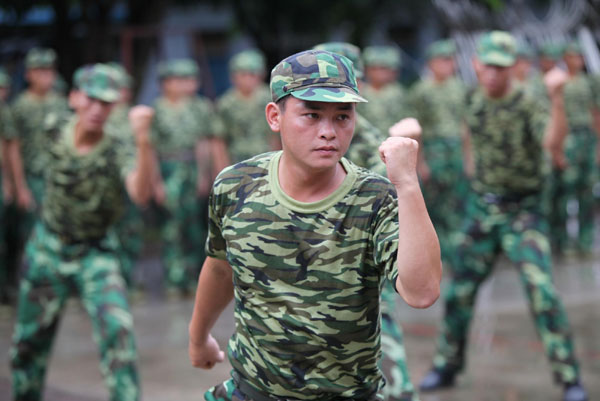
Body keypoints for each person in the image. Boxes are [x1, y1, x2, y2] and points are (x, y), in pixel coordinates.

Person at [188, 49, 442, 400]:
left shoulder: (375, 198)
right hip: (253, 390)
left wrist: (408, 185)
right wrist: (198, 337)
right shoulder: (236, 185)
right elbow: (219, 268)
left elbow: (422, 291)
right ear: (275, 117)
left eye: (342, 116)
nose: (328, 132)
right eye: (311, 115)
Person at [418, 31, 589, 401]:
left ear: (512, 67)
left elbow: (551, 142)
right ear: (477, 65)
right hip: (483, 207)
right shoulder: (473, 99)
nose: (492, 73)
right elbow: (469, 135)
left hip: (522, 211)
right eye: (487, 65)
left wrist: (557, 98)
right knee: (459, 292)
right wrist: (470, 171)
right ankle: (447, 364)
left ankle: (569, 376)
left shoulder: (528, 103)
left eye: (500, 66)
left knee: (542, 291)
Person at [10, 63, 155, 401]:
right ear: (74, 97)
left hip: (95, 253)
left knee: (119, 333)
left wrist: (144, 140)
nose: (97, 110)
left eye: (106, 103)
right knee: (27, 346)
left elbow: (140, 194)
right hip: (48, 247)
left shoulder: (118, 147)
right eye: (90, 100)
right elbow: (14, 145)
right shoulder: (51, 127)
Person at [313, 41, 420, 401]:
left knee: (381, 335)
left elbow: (389, 200)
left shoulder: (365, 137)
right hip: (321, 260)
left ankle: (401, 391)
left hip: (361, 258)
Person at [151, 58, 219, 295]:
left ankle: (193, 278)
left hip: (191, 168)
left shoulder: (200, 107)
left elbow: (203, 143)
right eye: (181, 79)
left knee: (195, 227)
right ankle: (173, 278)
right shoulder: (157, 110)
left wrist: (204, 175)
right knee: (172, 227)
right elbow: (150, 149)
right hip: (169, 168)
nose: (188, 84)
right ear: (167, 83)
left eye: (191, 79)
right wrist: (156, 182)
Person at [410, 39, 467, 270]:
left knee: (458, 204)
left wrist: (469, 159)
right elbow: (415, 129)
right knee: (434, 206)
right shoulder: (421, 91)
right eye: (442, 60)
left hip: (456, 151)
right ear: (431, 63)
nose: (447, 65)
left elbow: (466, 125)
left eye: (450, 60)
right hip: (433, 151)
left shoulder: (459, 88)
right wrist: (419, 162)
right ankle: (438, 254)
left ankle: (458, 254)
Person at [547, 41, 600, 256]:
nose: (576, 61)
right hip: (566, 139)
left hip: (586, 138)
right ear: (564, 59)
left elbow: (595, 113)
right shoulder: (557, 82)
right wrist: (556, 149)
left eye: (579, 57)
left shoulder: (590, 82)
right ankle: (562, 242)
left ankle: (586, 242)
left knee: (587, 192)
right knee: (564, 191)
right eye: (572, 56)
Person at [215, 48, 279, 166]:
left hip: (268, 158)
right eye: (243, 74)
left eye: (252, 74)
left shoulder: (271, 98)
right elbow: (219, 140)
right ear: (233, 76)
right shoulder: (226, 103)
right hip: (237, 160)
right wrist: (221, 167)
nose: (248, 79)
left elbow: (277, 136)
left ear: (262, 74)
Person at [359, 45, 411, 135]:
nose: (379, 73)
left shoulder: (399, 93)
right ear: (366, 70)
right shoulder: (359, 92)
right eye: (374, 68)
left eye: (383, 68)